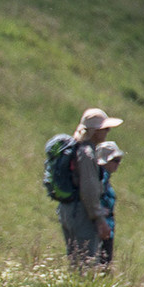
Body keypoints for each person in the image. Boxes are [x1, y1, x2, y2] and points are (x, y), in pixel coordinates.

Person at [57, 107, 121, 270]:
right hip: (82, 213)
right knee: (86, 266)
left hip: (68, 210)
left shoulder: (76, 149)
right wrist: (99, 219)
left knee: (75, 263)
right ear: (94, 131)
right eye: (104, 128)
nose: (107, 132)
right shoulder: (87, 153)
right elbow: (90, 190)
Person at [94, 140, 124, 269]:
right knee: (103, 266)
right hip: (103, 227)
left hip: (103, 226)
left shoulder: (100, 175)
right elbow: (95, 197)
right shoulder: (102, 176)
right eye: (115, 160)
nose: (118, 164)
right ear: (105, 160)